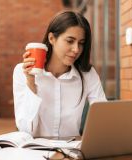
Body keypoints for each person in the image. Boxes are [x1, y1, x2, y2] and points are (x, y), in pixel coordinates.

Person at [13, 10, 107, 138]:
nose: (76, 49)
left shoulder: (87, 74)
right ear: (51, 38)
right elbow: (25, 131)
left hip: (71, 152)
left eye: (81, 43)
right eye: (70, 41)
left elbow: (103, 116)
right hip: (35, 152)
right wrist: (31, 84)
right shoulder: (21, 71)